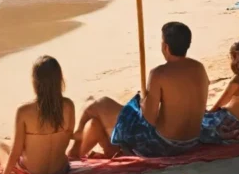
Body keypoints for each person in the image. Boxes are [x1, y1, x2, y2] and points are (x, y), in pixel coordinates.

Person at [68, 22, 209, 159]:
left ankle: (77, 135)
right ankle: (87, 150)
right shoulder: (199, 68)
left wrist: (144, 100)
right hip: (191, 141)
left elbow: (149, 119)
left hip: (164, 145)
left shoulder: (159, 73)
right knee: (95, 123)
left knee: (98, 103)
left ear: (166, 47)